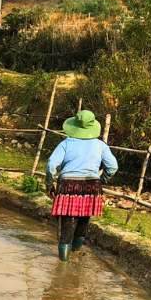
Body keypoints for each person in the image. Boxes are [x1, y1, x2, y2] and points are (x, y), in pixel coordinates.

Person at [47, 109, 118, 261]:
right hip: (91, 186)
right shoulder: (100, 145)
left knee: (67, 225)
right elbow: (112, 166)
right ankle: (75, 256)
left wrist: (49, 184)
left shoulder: (66, 143)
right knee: (83, 223)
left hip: (68, 186)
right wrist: (102, 180)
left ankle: (63, 265)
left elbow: (51, 164)